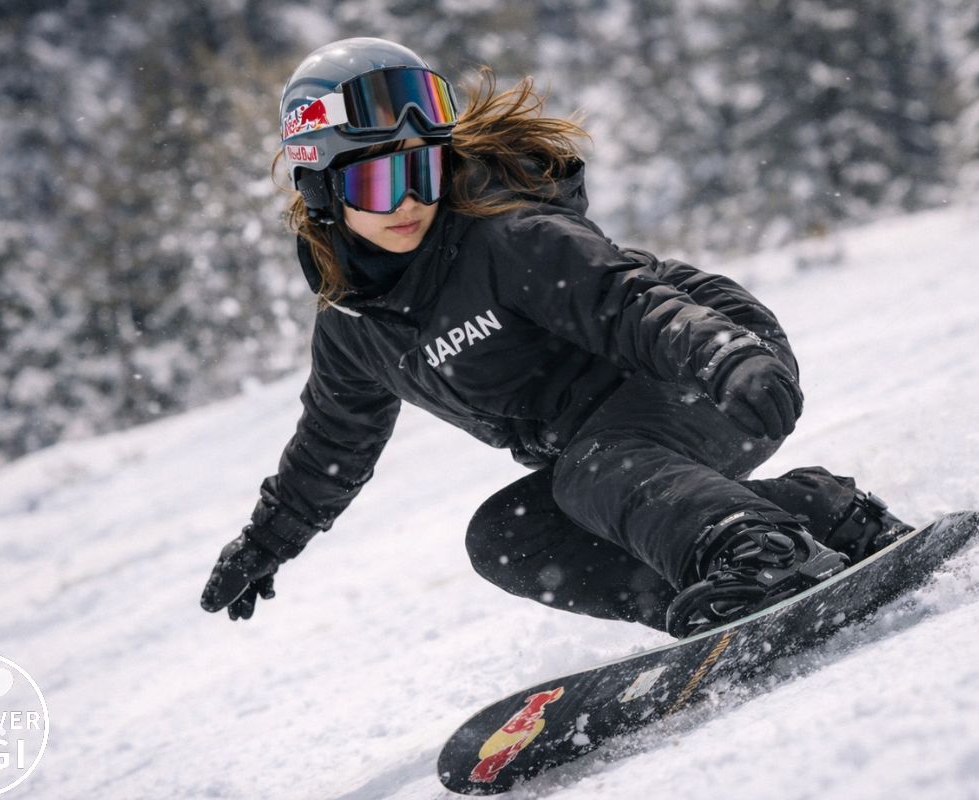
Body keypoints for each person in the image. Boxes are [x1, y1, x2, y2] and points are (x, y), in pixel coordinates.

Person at [199, 37, 913, 638]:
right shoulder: (355, 327)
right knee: (509, 535)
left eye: (424, 167)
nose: (412, 200)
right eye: (382, 182)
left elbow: (627, 304)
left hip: (699, 358)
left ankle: (761, 555)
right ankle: (787, 541)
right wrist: (267, 543)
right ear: (323, 192)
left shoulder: (507, 237)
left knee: (596, 469)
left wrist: (727, 355)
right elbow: (332, 445)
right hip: (620, 428)